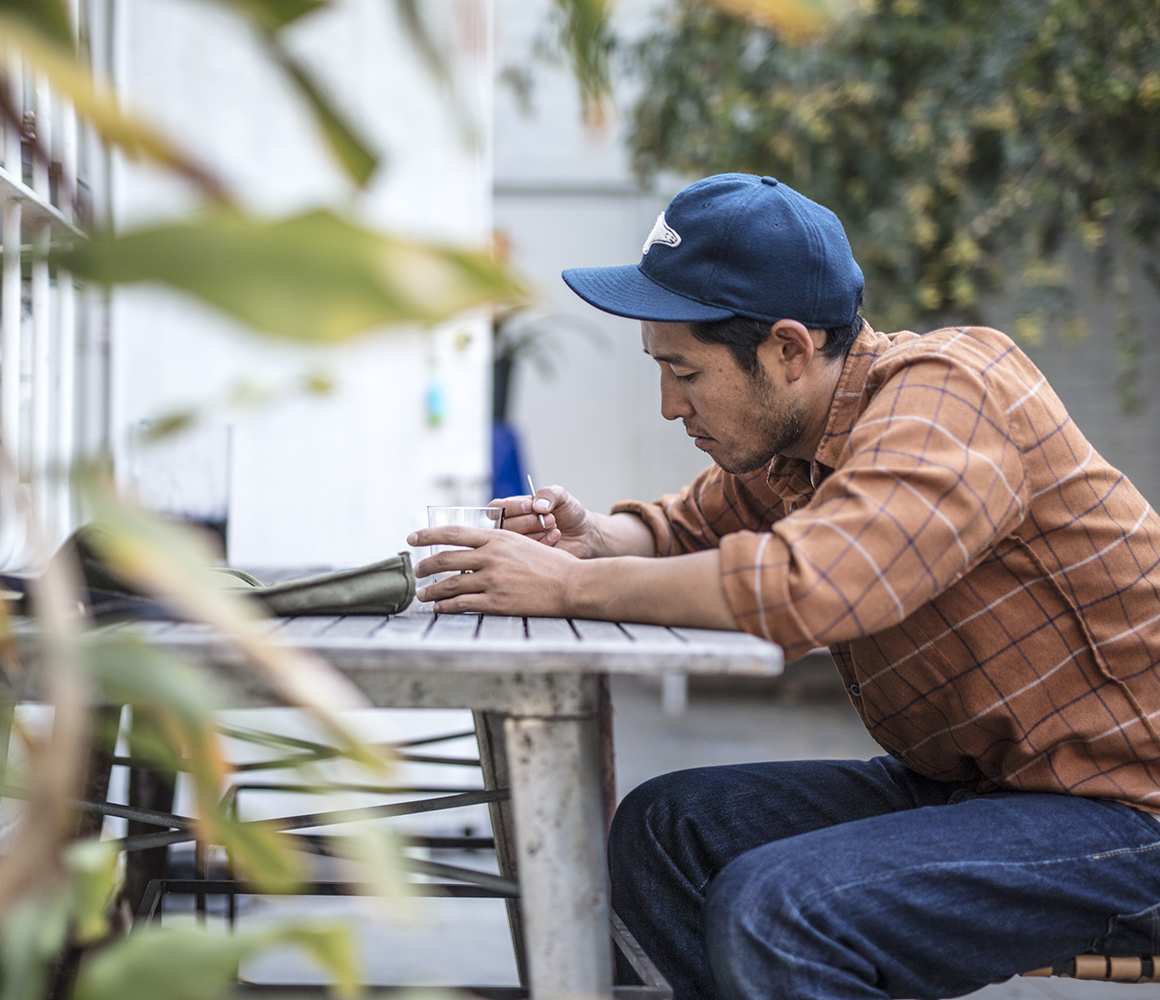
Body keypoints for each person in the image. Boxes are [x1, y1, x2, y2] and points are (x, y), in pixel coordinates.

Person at [407, 173, 1160, 1000]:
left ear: (790, 351)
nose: (667, 405)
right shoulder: (797, 445)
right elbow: (683, 530)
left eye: (685, 373)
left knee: (782, 909)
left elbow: (815, 586)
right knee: (667, 829)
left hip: (1128, 815)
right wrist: (588, 541)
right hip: (985, 789)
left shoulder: (950, 394)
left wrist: (566, 590)